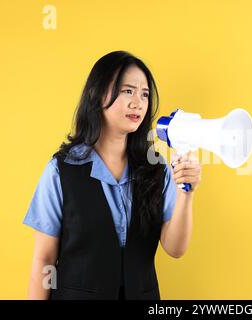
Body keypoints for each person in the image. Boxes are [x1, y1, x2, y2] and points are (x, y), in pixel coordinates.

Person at [23, 51, 202, 300]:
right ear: (97, 95)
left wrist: (186, 193)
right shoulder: (61, 171)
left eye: (145, 94)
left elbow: (175, 249)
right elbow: (44, 258)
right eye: (127, 91)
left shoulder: (157, 170)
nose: (137, 102)